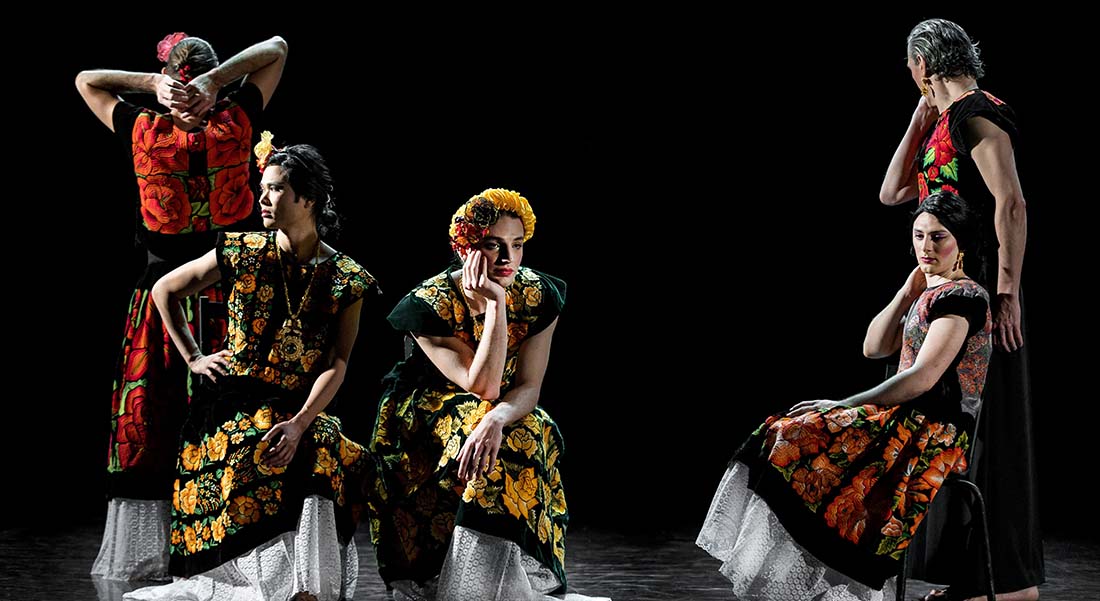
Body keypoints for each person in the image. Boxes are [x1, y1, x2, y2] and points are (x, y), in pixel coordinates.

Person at [697, 191, 992, 601]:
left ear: (961, 243)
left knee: (802, 434)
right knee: (783, 429)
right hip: (906, 416)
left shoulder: (963, 298)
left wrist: (844, 404)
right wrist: (907, 294)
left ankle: (826, 580)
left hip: (933, 430)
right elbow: (873, 347)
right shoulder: (929, 291)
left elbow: (923, 378)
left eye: (938, 237)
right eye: (919, 236)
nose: (927, 247)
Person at [124, 140, 375, 601]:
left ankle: (308, 587)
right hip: (235, 398)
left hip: (302, 402)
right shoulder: (242, 252)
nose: (262, 198)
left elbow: (338, 362)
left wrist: (301, 422)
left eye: (275, 189)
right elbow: (165, 290)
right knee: (260, 442)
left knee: (320, 445)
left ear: (309, 198)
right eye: (263, 188)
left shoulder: (347, 278)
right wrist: (194, 357)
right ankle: (269, 586)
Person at [76, 33, 287, 581]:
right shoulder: (148, 125)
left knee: (232, 419)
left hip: (232, 291)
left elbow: (279, 45)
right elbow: (84, 80)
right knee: (155, 420)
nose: (189, 103)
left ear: (214, 89)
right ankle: (169, 554)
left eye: (199, 90)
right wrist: (155, 85)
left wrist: (212, 83)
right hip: (165, 297)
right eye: (182, 92)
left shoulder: (231, 116)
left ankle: (232, 553)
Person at [367, 190, 602, 600]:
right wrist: (495, 303)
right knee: (489, 427)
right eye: (493, 245)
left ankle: (496, 583)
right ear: (466, 251)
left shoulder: (539, 295)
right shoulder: (428, 304)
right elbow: (483, 385)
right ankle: (466, 589)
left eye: (517, 244)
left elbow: (528, 385)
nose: (508, 258)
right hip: (425, 409)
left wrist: (497, 417)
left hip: (493, 405)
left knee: (531, 427)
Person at [879, 18, 1040, 601]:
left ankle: (1009, 582)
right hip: (940, 290)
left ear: (921, 65)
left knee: (982, 427)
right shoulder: (946, 119)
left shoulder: (977, 113)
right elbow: (893, 193)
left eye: (909, 66)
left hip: (979, 297)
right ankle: (969, 576)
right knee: (947, 427)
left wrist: (1007, 291)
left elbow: (1012, 203)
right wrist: (921, 116)